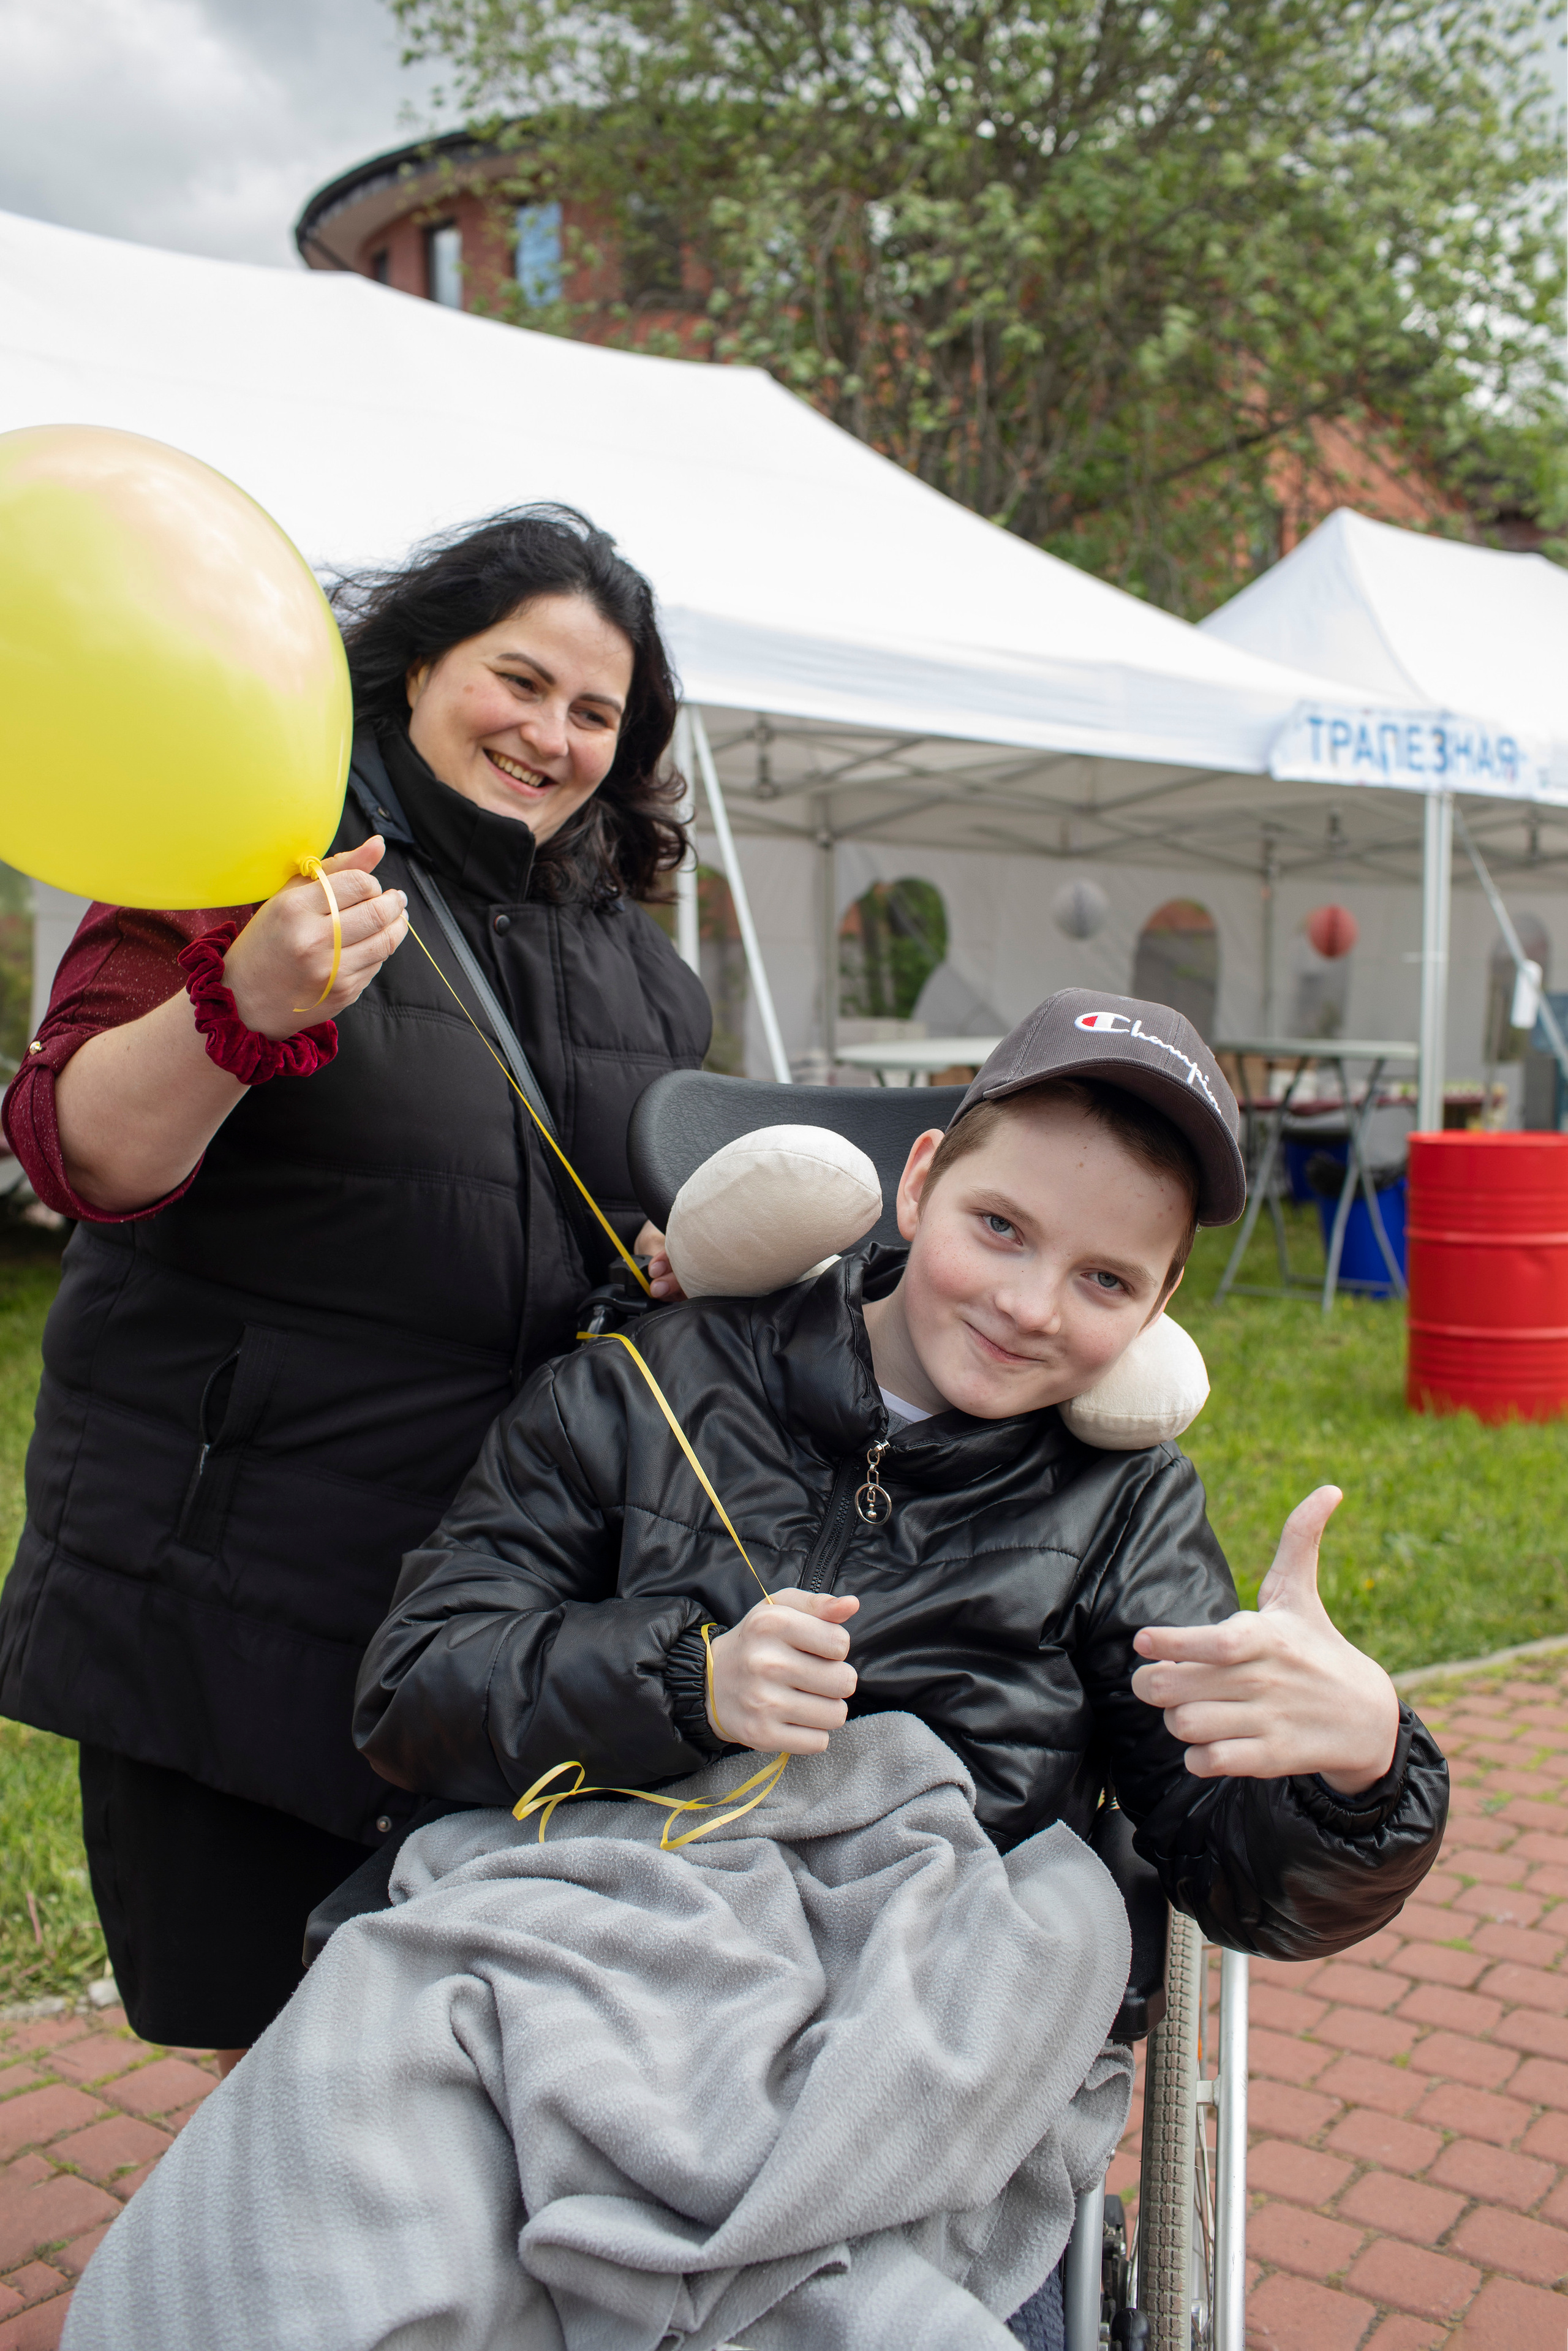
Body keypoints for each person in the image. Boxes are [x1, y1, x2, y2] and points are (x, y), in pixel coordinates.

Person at [0, 503, 712, 2063]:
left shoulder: (646, 972)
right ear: (409, 668)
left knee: (459, 2069)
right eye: (515, 680)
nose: (551, 734)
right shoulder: (252, 858)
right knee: (274, 2069)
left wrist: (681, 1266)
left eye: (596, 712)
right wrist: (239, 1002)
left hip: (502, 1621)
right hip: (242, 1593)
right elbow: (82, 1156)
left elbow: (639, 1236)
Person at [354, 987, 1446, 1942]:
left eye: (1106, 1280)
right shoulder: (649, 1384)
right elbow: (413, 1688)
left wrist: (1362, 1772)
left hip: (918, 1998)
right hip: (601, 1930)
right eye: (1002, 1226)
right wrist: (689, 1682)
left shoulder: (1129, 1510)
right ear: (919, 1184)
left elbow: (1229, 1872)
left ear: (1161, 1306)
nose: (1027, 1307)